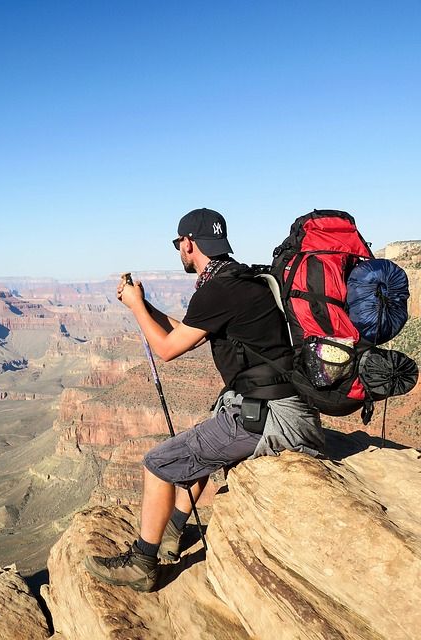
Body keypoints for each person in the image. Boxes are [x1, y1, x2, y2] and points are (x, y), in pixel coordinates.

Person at [83, 208, 322, 592]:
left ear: (189, 243)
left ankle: (143, 563)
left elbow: (166, 349)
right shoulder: (240, 278)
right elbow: (187, 330)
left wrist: (133, 307)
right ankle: (174, 534)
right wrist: (144, 305)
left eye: (179, 244)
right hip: (282, 405)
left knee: (158, 463)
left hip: (270, 417)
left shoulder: (218, 290)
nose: (179, 250)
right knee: (204, 437)